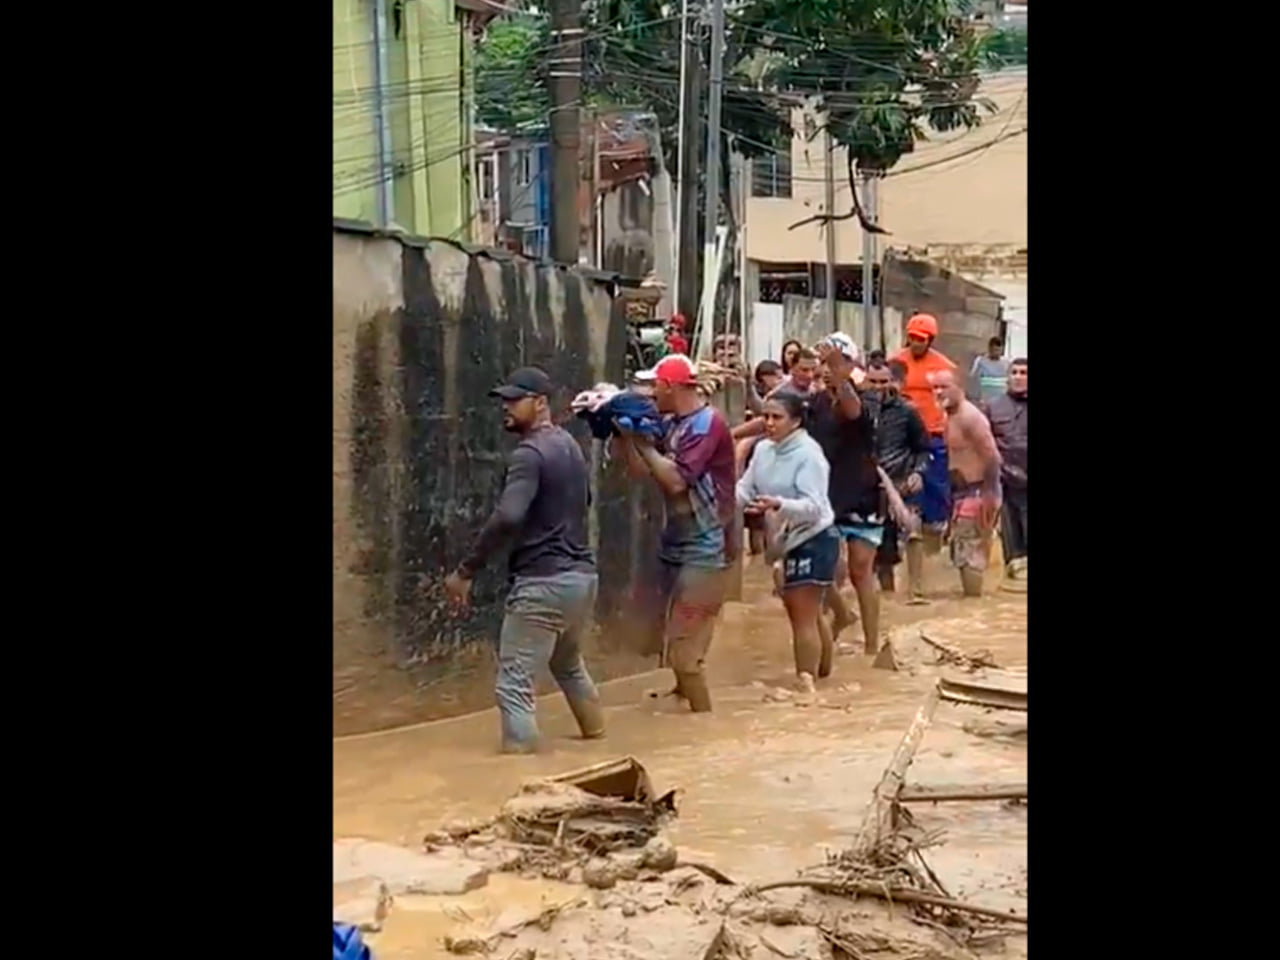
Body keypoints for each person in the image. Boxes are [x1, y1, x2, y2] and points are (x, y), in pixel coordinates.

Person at [444, 366, 603, 753]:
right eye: (504, 400)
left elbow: (509, 515)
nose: (507, 408)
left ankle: (521, 777)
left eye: (515, 400)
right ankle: (598, 740)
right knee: (568, 665)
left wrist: (466, 571)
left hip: (542, 584)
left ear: (541, 403)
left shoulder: (529, 454)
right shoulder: (569, 445)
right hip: (581, 581)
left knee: (513, 685)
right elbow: (585, 503)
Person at [613, 354, 737, 713]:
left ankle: (703, 725)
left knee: (685, 655)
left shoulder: (706, 424)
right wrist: (628, 437)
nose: (652, 394)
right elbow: (640, 472)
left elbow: (677, 480)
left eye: (656, 387)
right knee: (669, 644)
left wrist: (645, 443)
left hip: (709, 546)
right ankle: (686, 706)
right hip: (678, 543)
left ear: (671, 386)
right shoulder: (672, 422)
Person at [737, 390, 840, 686]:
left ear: (795, 421)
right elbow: (746, 488)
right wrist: (723, 500)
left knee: (802, 615)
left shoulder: (809, 455)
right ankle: (823, 677)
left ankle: (805, 685)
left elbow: (814, 507)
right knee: (808, 613)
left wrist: (779, 505)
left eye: (776, 417)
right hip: (785, 540)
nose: (768, 423)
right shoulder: (763, 450)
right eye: (765, 417)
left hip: (815, 536)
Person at [809, 337, 884, 655]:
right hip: (825, 495)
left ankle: (870, 645)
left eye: (836, 363)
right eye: (824, 364)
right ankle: (833, 628)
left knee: (860, 570)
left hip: (862, 495)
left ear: (852, 366)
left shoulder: (866, 400)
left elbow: (852, 412)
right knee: (828, 571)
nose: (828, 371)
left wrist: (840, 374)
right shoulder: (814, 403)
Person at [865, 359, 931, 602]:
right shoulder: (856, 410)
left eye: (884, 381)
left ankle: (916, 592)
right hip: (869, 489)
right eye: (873, 382)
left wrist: (918, 473)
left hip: (902, 483)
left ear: (893, 382)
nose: (879, 387)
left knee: (913, 531)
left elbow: (924, 448)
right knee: (879, 553)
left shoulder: (907, 412)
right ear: (865, 380)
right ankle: (885, 600)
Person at [932, 370, 1002, 597]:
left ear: (959, 387)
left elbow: (992, 456)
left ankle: (973, 607)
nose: (939, 392)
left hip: (979, 490)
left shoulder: (970, 417)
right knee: (961, 550)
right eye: (935, 387)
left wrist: (989, 495)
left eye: (945, 386)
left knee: (970, 553)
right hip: (963, 492)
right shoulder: (949, 415)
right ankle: (970, 603)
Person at [894, 314, 957, 541]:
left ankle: (936, 529)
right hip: (904, 436)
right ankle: (908, 528)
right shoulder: (897, 363)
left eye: (921, 339)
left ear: (930, 340)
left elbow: (956, 402)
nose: (916, 343)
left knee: (937, 485)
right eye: (912, 338)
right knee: (906, 484)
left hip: (935, 434)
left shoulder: (945, 367)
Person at [985, 357, 1027, 577]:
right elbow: (984, 443)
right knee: (1010, 531)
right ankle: (1013, 569)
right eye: (1015, 373)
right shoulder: (993, 407)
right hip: (1005, 479)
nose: (1019, 378)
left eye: (1024, 373)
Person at [968, 337, 1010, 404]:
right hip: (984, 400)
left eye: (999, 350)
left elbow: (1009, 382)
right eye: (995, 350)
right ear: (990, 348)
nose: (997, 353)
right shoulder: (980, 361)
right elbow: (974, 381)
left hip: (1001, 401)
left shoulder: (1006, 363)